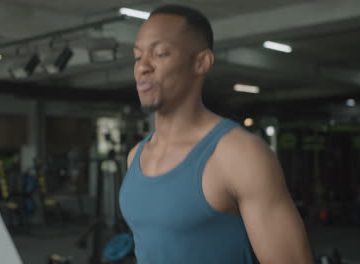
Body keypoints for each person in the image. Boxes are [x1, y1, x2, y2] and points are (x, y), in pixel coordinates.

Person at [119, 4, 314, 264]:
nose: (142, 67)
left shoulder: (239, 154)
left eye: (160, 54)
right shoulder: (136, 156)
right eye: (137, 56)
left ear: (201, 62)